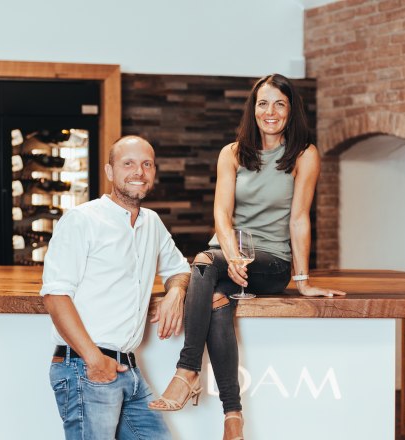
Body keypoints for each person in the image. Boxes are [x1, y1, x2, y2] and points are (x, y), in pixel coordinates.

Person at [148, 74, 346, 439]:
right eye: (263, 103)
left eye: (279, 104)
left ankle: (187, 371)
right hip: (225, 257)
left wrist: (302, 282)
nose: (270, 112)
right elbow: (221, 214)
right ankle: (233, 418)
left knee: (203, 265)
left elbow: (300, 218)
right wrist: (232, 255)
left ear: (291, 110)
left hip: (270, 261)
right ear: (253, 109)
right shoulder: (233, 153)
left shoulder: (304, 154)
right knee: (215, 294)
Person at [40, 135, 191, 440]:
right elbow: (55, 297)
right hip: (85, 367)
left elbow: (179, 269)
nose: (139, 171)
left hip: (128, 370)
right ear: (109, 172)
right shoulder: (82, 220)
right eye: (128, 164)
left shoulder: (152, 222)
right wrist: (94, 360)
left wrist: (175, 292)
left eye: (146, 164)